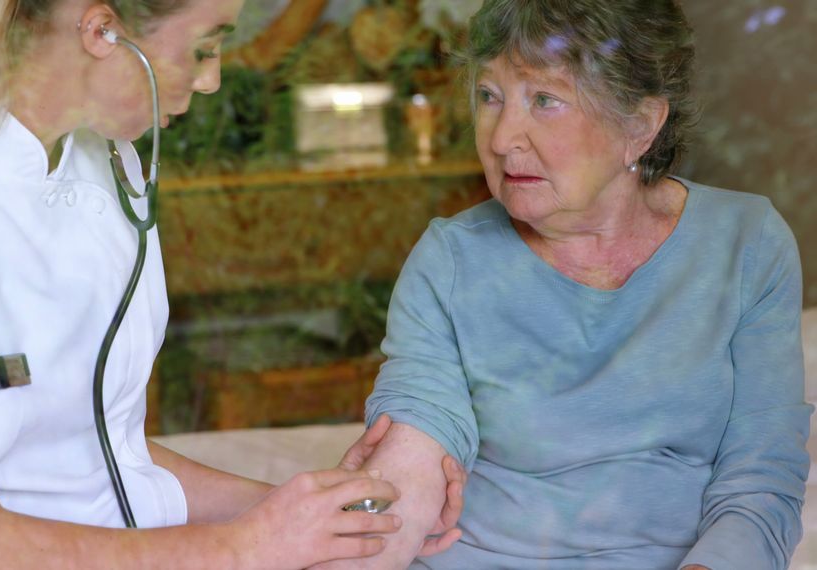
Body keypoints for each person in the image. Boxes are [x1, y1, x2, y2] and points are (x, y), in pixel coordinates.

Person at [0, 0, 468, 568]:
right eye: (203, 47)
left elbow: (103, 453)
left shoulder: (107, 165)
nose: (211, 81)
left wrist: (316, 512)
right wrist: (243, 548)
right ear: (100, 29)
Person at [320, 0, 814, 569]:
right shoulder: (451, 259)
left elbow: (760, 478)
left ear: (640, 125)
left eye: (544, 100)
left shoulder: (746, 244)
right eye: (489, 96)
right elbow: (413, 455)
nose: (503, 138)